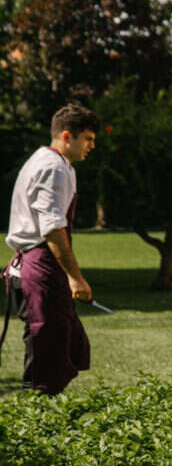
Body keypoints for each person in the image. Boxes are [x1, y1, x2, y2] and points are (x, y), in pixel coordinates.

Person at [3, 104, 97, 395]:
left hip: (44, 265)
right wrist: (76, 278)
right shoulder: (52, 167)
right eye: (88, 139)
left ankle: (44, 417)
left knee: (61, 344)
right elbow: (53, 229)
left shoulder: (58, 164)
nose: (92, 146)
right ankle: (35, 421)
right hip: (39, 266)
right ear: (67, 136)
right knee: (46, 351)